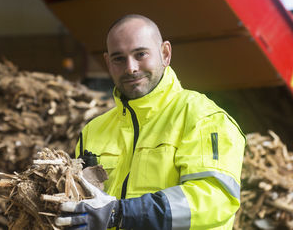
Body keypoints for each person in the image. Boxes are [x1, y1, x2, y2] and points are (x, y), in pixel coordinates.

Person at [55, 14, 246, 229]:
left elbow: (214, 200)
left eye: (140, 54)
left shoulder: (203, 118)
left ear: (165, 54)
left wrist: (121, 214)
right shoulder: (94, 130)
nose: (131, 68)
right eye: (119, 59)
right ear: (108, 63)